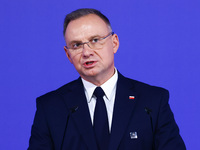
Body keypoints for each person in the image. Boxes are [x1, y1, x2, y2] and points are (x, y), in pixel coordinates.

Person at [28, 8, 186, 150]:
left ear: (114, 42)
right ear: (68, 54)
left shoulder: (153, 101)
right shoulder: (50, 108)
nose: (86, 52)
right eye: (76, 45)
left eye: (95, 40)